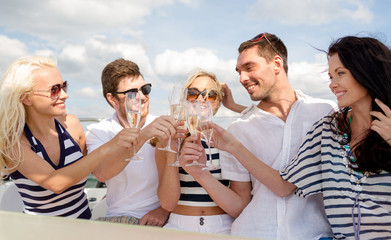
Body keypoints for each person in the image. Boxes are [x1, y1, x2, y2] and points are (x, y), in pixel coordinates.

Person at [200, 36, 391, 239]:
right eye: (330, 77)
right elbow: (283, 184)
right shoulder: (329, 127)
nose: (332, 85)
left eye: (340, 73)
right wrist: (233, 145)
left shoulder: (322, 110)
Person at [181, 33, 337, 239]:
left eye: (249, 67)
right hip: (254, 233)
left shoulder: (324, 112)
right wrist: (199, 173)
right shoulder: (239, 129)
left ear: (276, 63)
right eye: (239, 72)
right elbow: (240, 205)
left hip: (314, 234)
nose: (242, 78)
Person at [0, 56, 139, 219]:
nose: (65, 95)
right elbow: (56, 183)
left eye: (64, 86)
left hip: (83, 226)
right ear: (26, 97)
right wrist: (109, 146)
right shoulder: (14, 143)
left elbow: (90, 168)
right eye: (54, 89)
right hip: (40, 233)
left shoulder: (72, 125)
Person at [85, 58, 177, 226]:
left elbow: (181, 177)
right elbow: (101, 173)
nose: (142, 97)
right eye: (132, 93)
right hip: (119, 217)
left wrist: (164, 210)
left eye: (145, 89)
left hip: (163, 217)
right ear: (112, 99)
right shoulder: (98, 131)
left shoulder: (163, 125)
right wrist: (143, 136)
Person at [156, 70, 247, 234]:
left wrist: (200, 173)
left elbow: (240, 208)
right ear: (184, 99)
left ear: (218, 103)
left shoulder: (230, 141)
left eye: (210, 95)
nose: (200, 99)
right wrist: (172, 150)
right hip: (178, 226)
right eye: (193, 93)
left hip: (223, 227)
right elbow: (167, 204)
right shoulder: (168, 140)